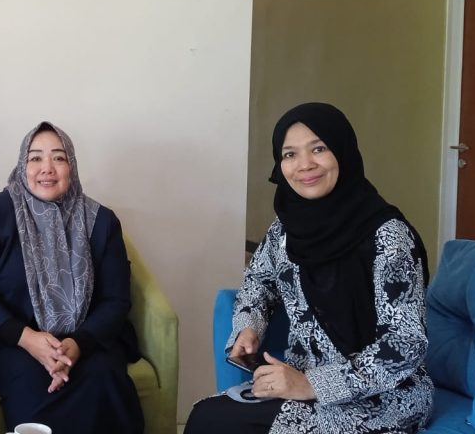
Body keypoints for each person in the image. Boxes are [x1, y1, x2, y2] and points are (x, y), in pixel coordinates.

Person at [185, 102, 432, 434]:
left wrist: (312, 384)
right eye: (290, 154)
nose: (305, 165)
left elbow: (405, 343)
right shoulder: (285, 230)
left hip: (385, 396)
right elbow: (258, 282)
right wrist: (249, 327)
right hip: (300, 381)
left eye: (318, 149)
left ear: (343, 152)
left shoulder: (388, 236)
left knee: (226, 424)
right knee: (206, 414)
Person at [0, 121, 144, 432]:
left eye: (58, 157)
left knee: (105, 380)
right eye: (35, 158)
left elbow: (115, 299)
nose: (47, 168)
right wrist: (28, 339)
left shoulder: (101, 221)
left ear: (72, 166)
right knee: (34, 386)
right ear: (23, 165)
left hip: (86, 341)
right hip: (14, 342)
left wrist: (76, 345)